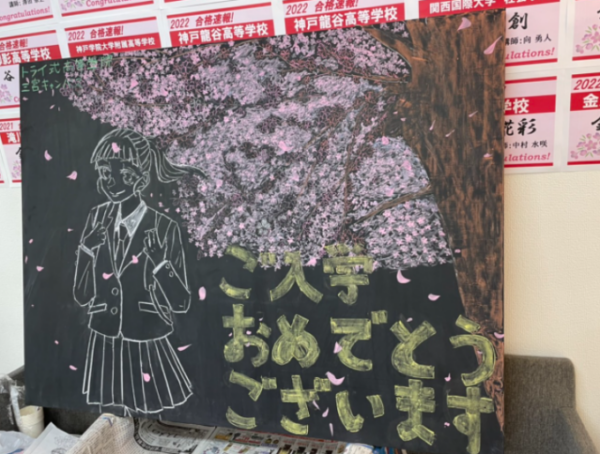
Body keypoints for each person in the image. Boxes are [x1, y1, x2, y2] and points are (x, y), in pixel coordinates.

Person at [73, 128, 203, 414]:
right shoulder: (97, 218)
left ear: (142, 180)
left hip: (145, 335)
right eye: (106, 172)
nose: (112, 181)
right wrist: (86, 250)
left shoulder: (164, 227)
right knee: (111, 416)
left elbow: (181, 302)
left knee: (151, 412)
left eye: (124, 174)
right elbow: (82, 295)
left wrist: (159, 263)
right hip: (105, 336)